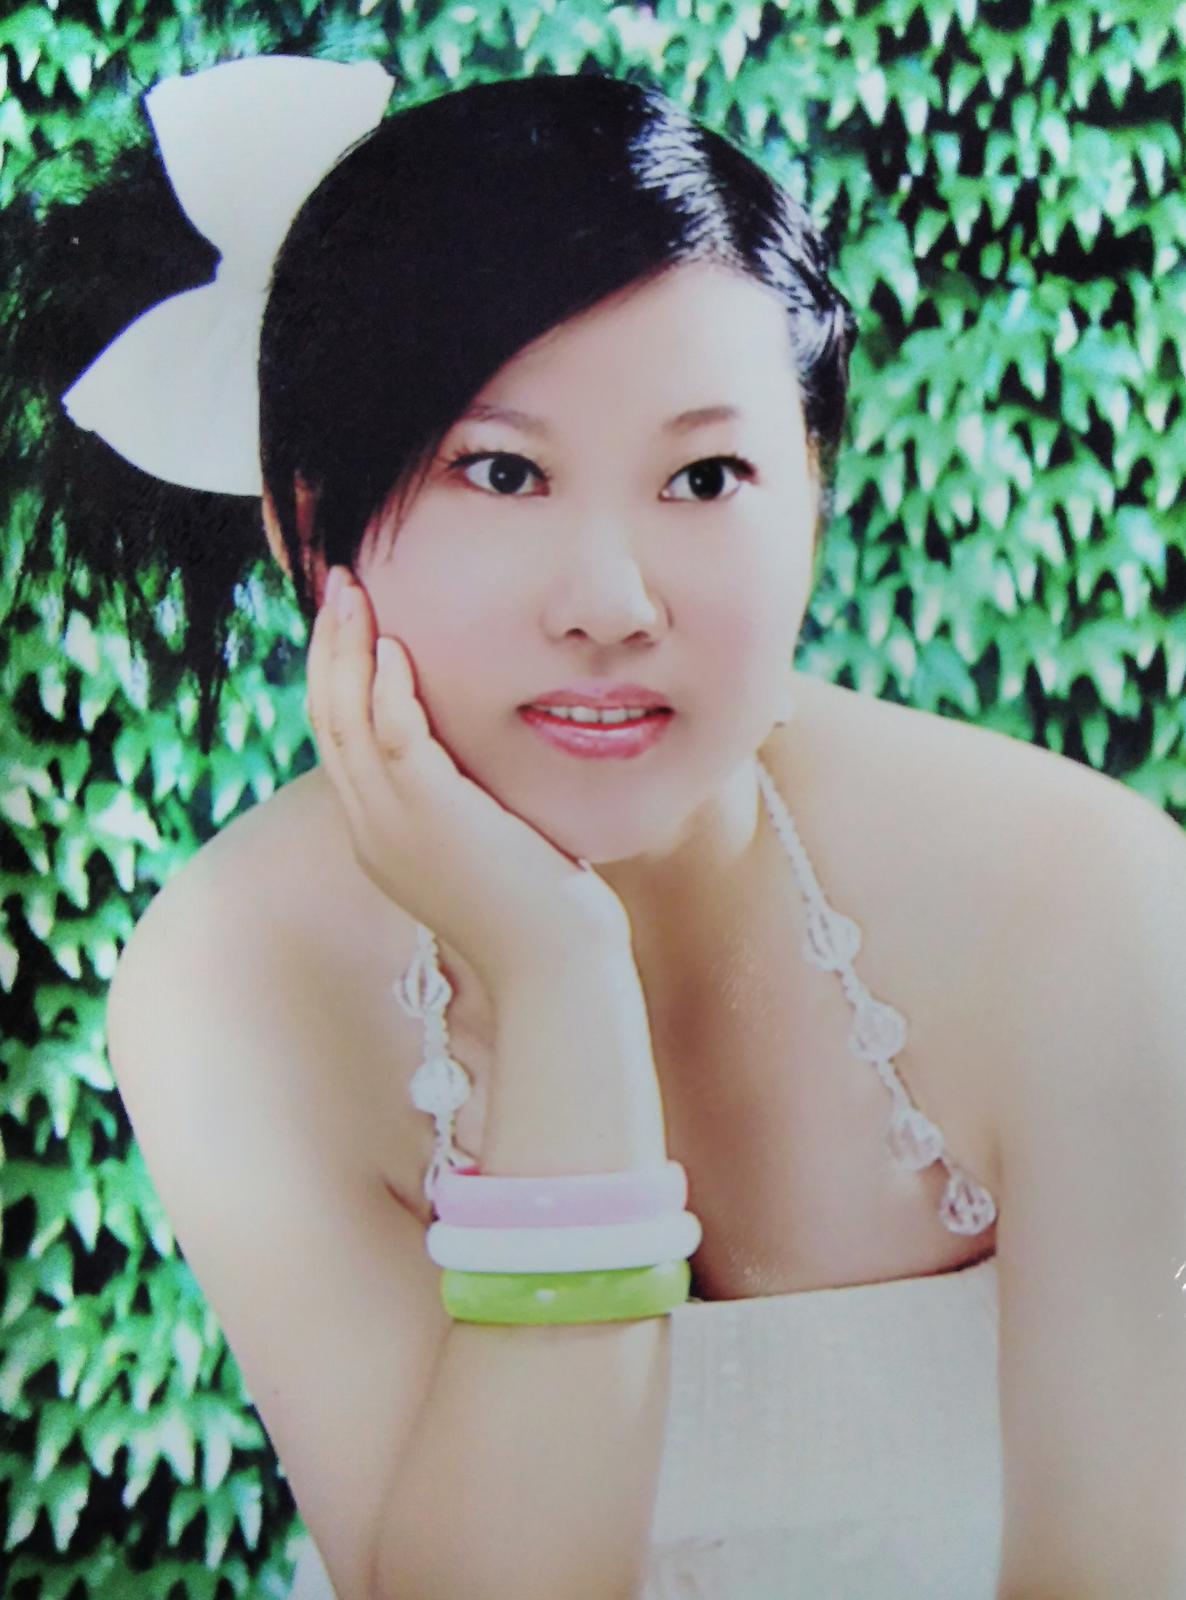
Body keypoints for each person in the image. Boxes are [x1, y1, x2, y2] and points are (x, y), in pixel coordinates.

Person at [55, 54, 1186, 1600]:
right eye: (502, 471)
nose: (609, 603)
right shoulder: (232, 981)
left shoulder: (1079, 903)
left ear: (814, 495)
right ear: (309, 525)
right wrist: (554, 977)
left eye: (705, 476)